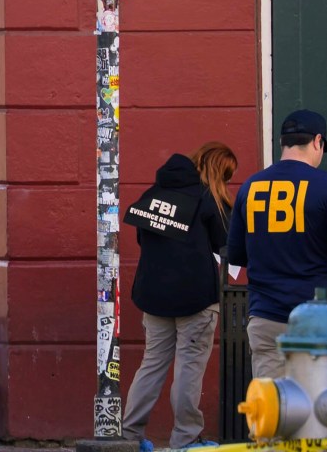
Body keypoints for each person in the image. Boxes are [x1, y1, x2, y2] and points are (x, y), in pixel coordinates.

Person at [228, 110, 327, 378]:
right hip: (319, 319)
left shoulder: (250, 187)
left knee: (273, 412)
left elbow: (236, 254)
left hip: (267, 318)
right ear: (317, 141)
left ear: (282, 143)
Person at [118, 143, 232, 449]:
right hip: (196, 299)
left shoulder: (150, 195)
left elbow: (143, 238)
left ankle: (129, 437)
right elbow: (227, 243)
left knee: (151, 365)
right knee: (188, 367)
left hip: (153, 296)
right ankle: (185, 439)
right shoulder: (207, 199)